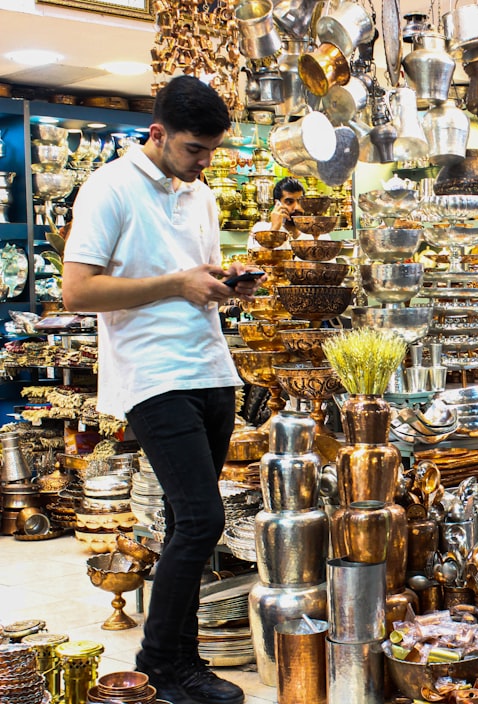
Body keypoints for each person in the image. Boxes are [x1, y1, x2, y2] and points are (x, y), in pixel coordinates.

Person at [62, 75, 258, 704]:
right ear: (158, 134)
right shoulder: (109, 188)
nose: (204, 163)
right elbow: (79, 291)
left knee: (186, 522)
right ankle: (160, 664)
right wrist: (176, 285)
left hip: (210, 368)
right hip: (151, 374)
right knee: (203, 520)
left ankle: (183, 661)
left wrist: (221, 284)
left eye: (211, 152)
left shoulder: (200, 196)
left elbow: (188, 276)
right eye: (194, 150)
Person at [247, 175, 305, 249]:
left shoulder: (313, 234)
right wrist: (274, 229)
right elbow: (254, 259)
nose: (297, 207)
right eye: (289, 202)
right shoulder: (260, 230)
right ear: (277, 204)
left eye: (300, 201)